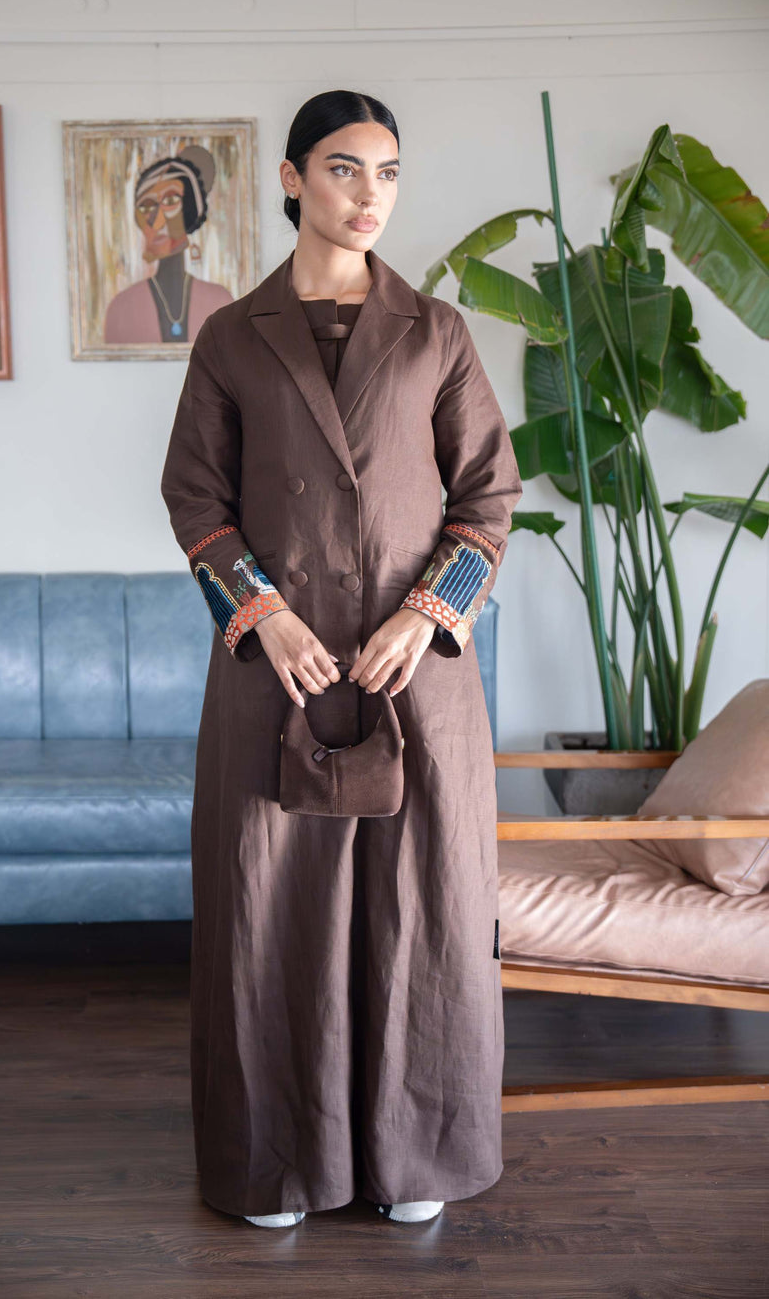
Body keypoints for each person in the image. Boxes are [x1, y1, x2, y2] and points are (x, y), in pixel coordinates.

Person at [160, 89, 523, 1228]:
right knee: (268, 907)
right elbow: (196, 499)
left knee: (426, 907)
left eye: (388, 172)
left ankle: (417, 1157)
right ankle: (279, 1164)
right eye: (344, 168)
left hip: (422, 675)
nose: (371, 195)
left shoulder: (438, 332)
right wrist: (263, 614)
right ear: (291, 178)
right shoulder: (232, 337)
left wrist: (427, 612)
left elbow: (489, 497)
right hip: (277, 671)